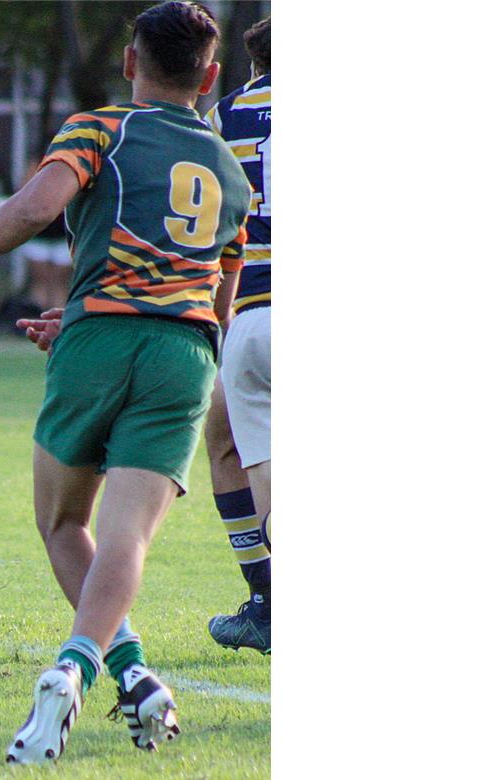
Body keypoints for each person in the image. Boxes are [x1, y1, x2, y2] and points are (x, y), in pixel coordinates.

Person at [0, 1, 250, 763]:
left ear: (130, 62)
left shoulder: (101, 127)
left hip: (101, 343)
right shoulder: (233, 173)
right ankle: (115, 673)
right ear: (212, 75)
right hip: (184, 353)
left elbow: (38, 206)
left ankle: (79, 667)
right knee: (126, 533)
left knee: (65, 524)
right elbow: (213, 300)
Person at [203, 15, 272, 654]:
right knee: (224, 432)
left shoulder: (230, 115)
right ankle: (266, 602)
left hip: (257, 312)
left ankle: (271, 599)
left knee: (236, 443)